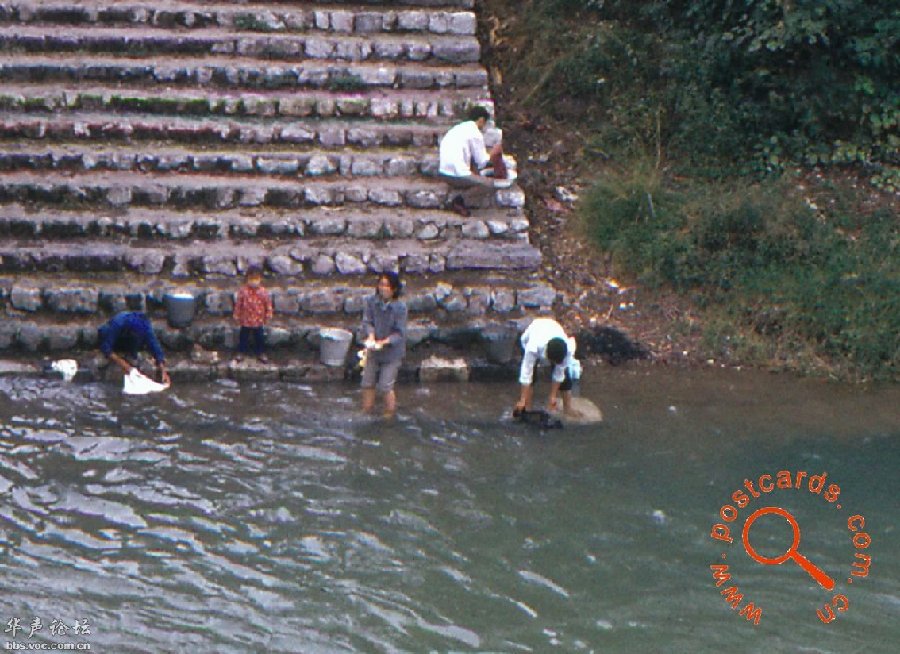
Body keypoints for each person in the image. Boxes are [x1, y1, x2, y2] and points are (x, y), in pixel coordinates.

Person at [438, 105, 505, 217]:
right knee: (490, 185)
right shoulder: (475, 133)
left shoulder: (459, 128)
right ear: (481, 120)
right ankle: (459, 200)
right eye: (484, 123)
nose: (484, 127)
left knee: (476, 174)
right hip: (456, 175)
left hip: (443, 172)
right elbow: (482, 161)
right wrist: (494, 152)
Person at [360, 272, 407, 417]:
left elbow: (399, 333)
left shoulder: (400, 308)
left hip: (392, 353)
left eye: (386, 285)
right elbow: (367, 322)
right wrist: (371, 336)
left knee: (386, 386)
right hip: (374, 350)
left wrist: (384, 342)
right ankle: (366, 410)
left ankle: (389, 414)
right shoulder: (371, 302)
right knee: (367, 382)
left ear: (394, 289)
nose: (383, 288)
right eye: (381, 284)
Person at [514, 317, 581, 417]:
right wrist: (522, 399)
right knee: (531, 376)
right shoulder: (533, 346)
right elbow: (526, 374)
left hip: (554, 328)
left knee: (565, 376)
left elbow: (559, 373)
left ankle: (567, 408)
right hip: (535, 330)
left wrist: (553, 396)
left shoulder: (567, 349)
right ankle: (526, 406)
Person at [98, 311, 170, 384]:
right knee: (104, 333)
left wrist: (163, 370)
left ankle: (131, 353)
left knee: (142, 343)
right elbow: (105, 346)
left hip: (130, 340)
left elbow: (155, 345)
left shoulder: (145, 326)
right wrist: (123, 364)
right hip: (116, 338)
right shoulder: (119, 322)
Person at [233, 265, 274, 363]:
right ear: (247, 279)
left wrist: (268, 315)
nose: (253, 282)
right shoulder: (243, 291)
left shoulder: (263, 292)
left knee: (259, 338)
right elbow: (239, 304)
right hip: (245, 320)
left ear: (260, 279)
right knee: (243, 337)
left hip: (258, 320)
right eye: (251, 279)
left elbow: (268, 304)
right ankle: (241, 352)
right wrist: (236, 315)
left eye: (256, 279)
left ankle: (261, 353)